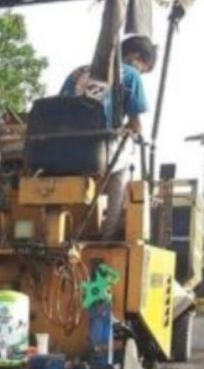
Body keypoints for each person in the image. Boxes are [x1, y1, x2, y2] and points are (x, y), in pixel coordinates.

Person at [60, 34, 157, 238]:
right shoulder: (130, 74)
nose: (140, 72)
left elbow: (59, 108)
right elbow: (136, 125)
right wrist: (130, 130)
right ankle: (109, 231)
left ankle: (69, 228)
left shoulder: (77, 72)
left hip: (60, 150)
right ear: (136, 57)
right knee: (126, 153)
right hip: (95, 151)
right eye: (143, 69)